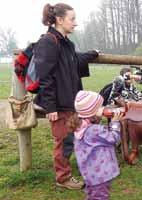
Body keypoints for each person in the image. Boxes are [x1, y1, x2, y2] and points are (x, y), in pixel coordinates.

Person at [33, 3, 99, 189]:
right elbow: (44, 76)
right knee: (62, 140)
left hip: (70, 101)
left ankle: (70, 172)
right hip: (59, 104)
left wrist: (93, 54)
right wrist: (50, 107)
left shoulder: (66, 43)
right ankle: (63, 178)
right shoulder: (48, 42)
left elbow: (76, 60)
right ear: (59, 20)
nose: (75, 23)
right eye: (72, 19)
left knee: (72, 137)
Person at [70, 90, 122, 200]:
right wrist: (116, 123)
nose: (103, 108)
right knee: (100, 197)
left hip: (89, 171)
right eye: (100, 107)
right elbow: (113, 139)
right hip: (100, 173)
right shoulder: (94, 130)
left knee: (92, 194)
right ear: (92, 112)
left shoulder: (81, 125)